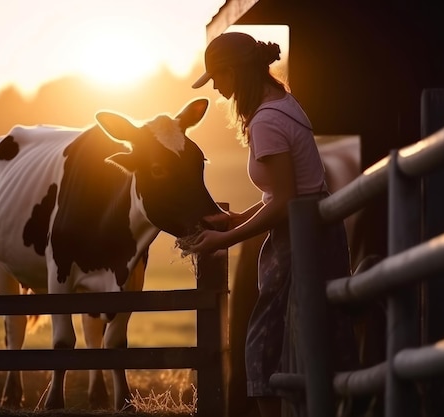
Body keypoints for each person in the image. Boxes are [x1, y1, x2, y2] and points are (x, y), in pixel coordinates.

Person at [183, 32, 344, 417]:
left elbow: (288, 199)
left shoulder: (267, 121)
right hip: (309, 231)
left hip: (298, 239)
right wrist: (238, 217)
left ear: (234, 72)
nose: (218, 89)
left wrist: (225, 237)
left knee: (260, 349)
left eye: (217, 78)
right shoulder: (282, 105)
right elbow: (285, 194)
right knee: (310, 344)